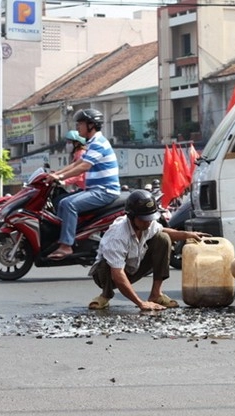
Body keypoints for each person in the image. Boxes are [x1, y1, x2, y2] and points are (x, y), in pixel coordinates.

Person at [87, 189, 209, 311]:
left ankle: (156, 294)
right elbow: (118, 274)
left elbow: (163, 231)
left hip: (134, 266)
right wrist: (141, 303)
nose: (148, 223)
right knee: (105, 264)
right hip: (108, 275)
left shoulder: (148, 224)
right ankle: (105, 295)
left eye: (150, 218)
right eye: (144, 219)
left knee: (163, 238)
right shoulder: (117, 235)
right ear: (131, 217)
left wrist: (187, 234)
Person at [46, 109, 120, 260]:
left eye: (80, 124)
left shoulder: (99, 143)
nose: (78, 127)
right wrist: (55, 174)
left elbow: (83, 167)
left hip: (105, 191)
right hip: (95, 189)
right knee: (62, 202)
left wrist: (59, 176)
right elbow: (77, 163)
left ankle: (66, 245)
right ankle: (64, 238)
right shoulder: (92, 143)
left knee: (69, 205)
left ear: (91, 125)